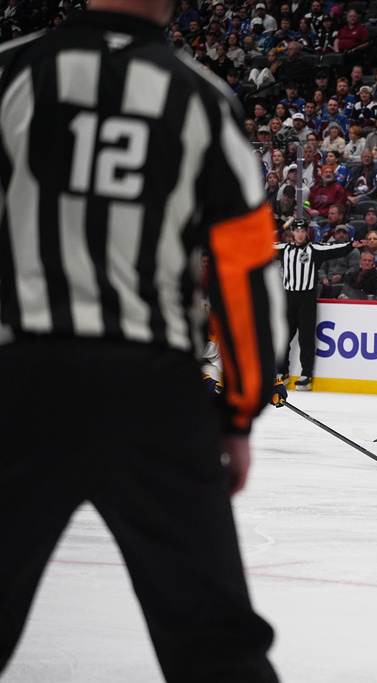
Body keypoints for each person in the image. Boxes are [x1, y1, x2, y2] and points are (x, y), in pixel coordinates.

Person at [0, 2, 285, 680]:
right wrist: (239, 410)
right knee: (216, 647)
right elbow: (244, 274)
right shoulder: (202, 100)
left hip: (22, 380)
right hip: (156, 393)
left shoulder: (13, 73)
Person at [277, 219, 354, 389]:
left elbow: (335, 249)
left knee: (306, 338)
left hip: (306, 298)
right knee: (283, 337)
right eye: (296, 231)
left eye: (303, 231)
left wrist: (352, 244)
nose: (299, 234)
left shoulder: (315, 249)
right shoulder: (284, 249)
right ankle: (283, 372)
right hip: (288, 297)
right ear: (293, 234)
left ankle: (306, 374)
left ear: (307, 233)